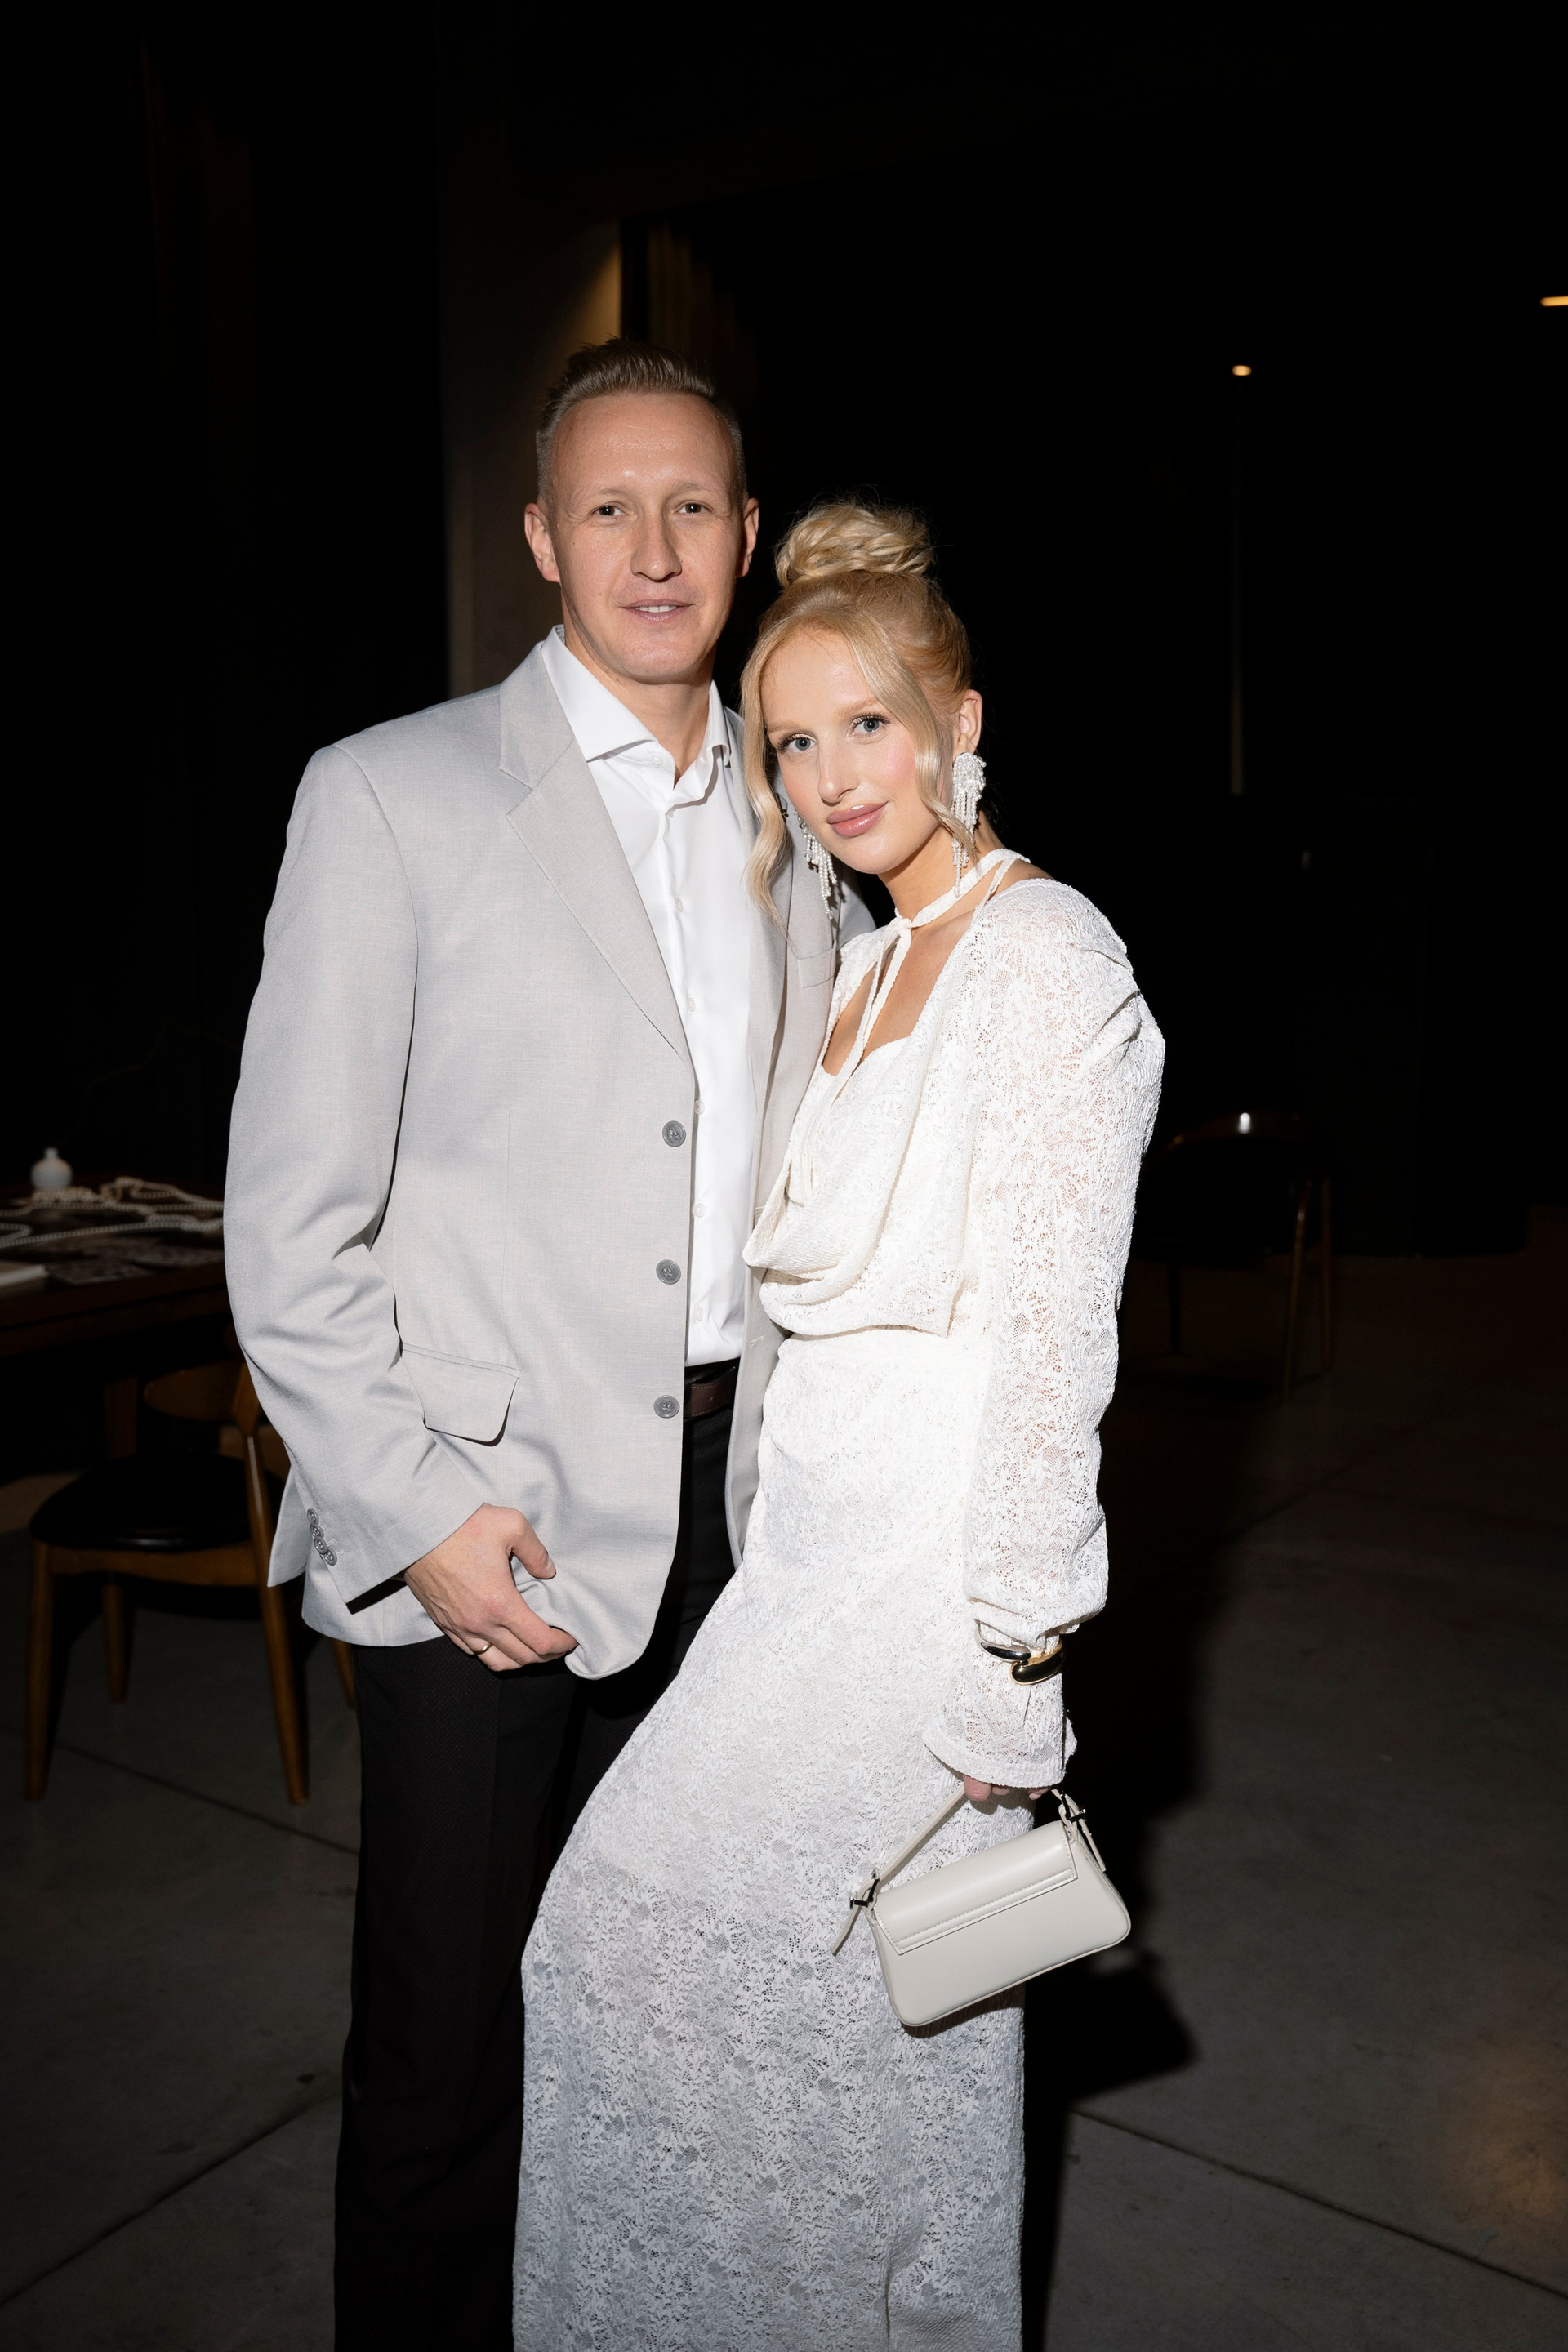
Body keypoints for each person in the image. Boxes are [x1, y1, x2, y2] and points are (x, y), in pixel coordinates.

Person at [224, 344, 871, 2352]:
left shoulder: (802, 805)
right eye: (608, 507)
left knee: (661, 2021)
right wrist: (416, 1517)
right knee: (445, 2051)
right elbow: (290, 1225)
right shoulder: (391, 794)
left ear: (747, 538)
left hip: (736, 1516)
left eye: (691, 507)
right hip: (482, 1526)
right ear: (539, 537)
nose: (653, 549)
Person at [514, 503, 1165, 2346]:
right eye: (793, 741)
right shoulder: (876, 959)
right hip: (801, 1579)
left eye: (868, 722)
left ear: (964, 720)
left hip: (933, 1607)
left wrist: (1016, 1673)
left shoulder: (1051, 961)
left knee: (630, 1946)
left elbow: (1054, 1347)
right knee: (819, 2028)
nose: (829, 775)